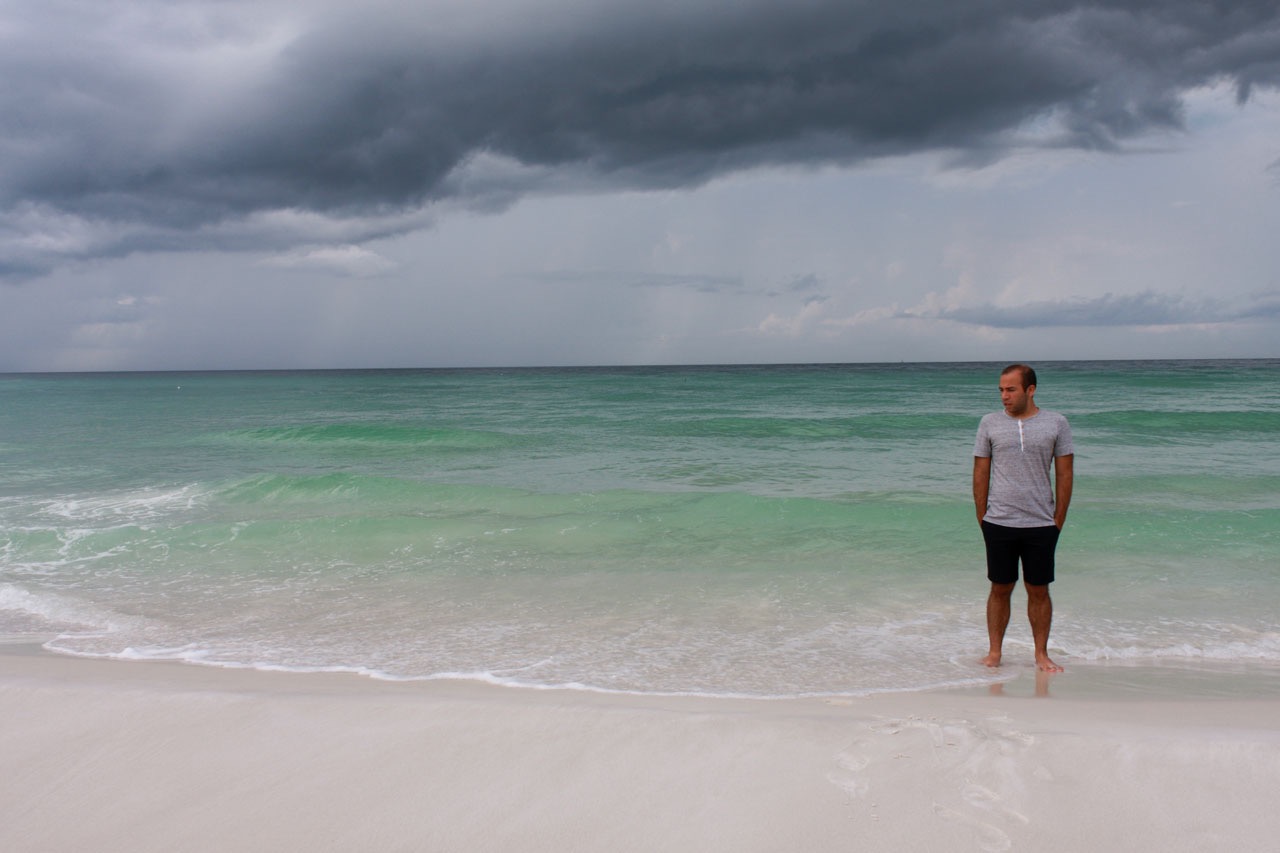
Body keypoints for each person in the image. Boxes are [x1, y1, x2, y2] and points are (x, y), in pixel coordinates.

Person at [972, 364, 1074, 673]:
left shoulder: (1056, 423)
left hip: (1041, 523)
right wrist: (983, 516)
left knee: (1038, 589)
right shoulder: (989, 423)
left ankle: (1041, 654)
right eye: (1001, 390)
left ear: (1030, 390)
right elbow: (980, 472)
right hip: (999, 521)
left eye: (1011, 389)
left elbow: (1065, 473)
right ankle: (994, 653)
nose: (1004, 396)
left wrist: (1058, 519)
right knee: (999, 588)